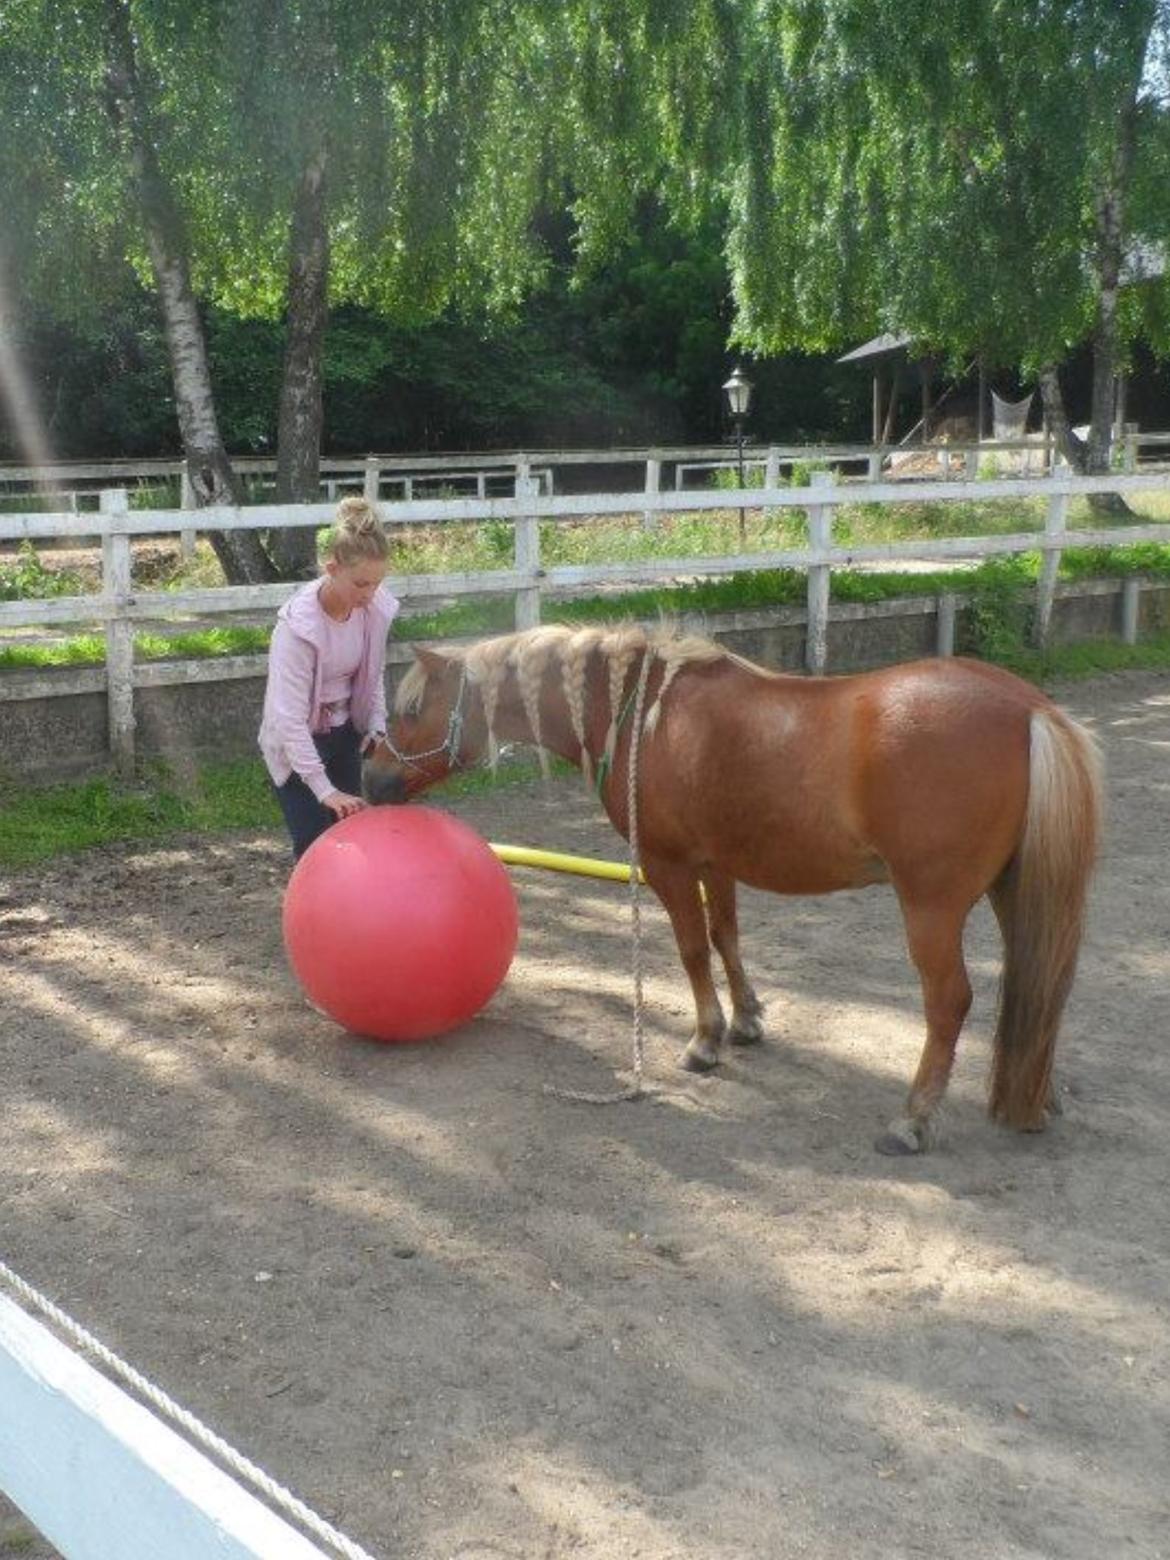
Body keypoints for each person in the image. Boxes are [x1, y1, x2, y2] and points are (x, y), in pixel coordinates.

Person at [259, 496, 400, 859]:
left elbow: (373, 670)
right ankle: (309, 914)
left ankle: (351, 915)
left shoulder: (374, 610)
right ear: (332, 568)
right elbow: (288, 720)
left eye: (377, 583)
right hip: (298, 741)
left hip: (345, 734)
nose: (369, 594)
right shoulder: (296, 629)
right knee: (313, 845)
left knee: (349, 836)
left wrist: (376, 724)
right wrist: (325, 790)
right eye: (360, 584)